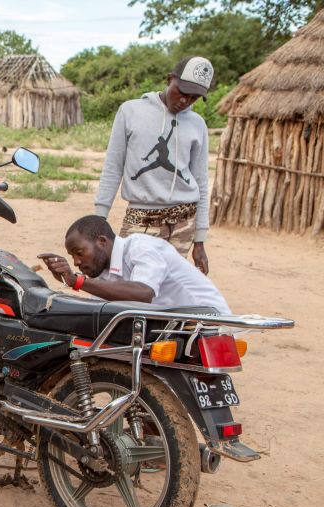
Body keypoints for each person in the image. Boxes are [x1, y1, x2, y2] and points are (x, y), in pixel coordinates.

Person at [94, 56, 214, 275]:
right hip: (141, 219)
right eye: (182, 91)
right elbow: (113, 167)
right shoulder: (130, 112)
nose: (185, 101)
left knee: (168, 288)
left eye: (194, 97)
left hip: (183, 223)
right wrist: (99, 218)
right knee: (128, 283)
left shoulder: (198, 125)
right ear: (169, 79)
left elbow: (201, 182)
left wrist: (200, 241)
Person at [40, 215, 231, 314]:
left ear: (102, 241)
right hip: (180, 323)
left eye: (79, 253)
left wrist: (77, 281)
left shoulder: (141, 247)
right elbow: (93, 310)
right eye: (72, 257)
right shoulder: (107, 275)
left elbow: (143, 293)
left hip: (210, 321)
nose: (76, 262)